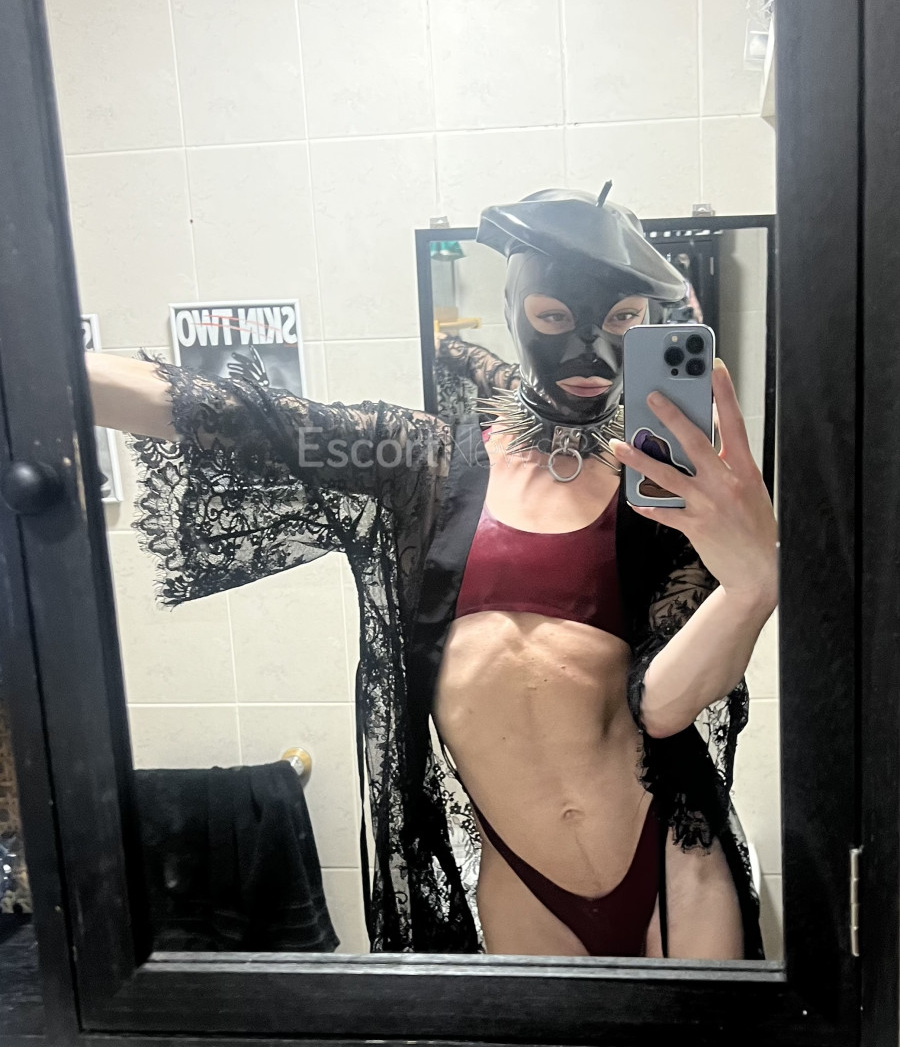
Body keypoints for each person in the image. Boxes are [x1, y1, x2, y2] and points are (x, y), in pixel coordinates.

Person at [86, 187, 777, 958]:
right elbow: (245, 417)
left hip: (672, 860)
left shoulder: (665, 491)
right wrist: (44, 367)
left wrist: (752, 587)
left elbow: (662, 706)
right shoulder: (422, 461)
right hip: (525, 885)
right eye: (555, 317)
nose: (591, 351)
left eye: (621, 321)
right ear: (514, 311)